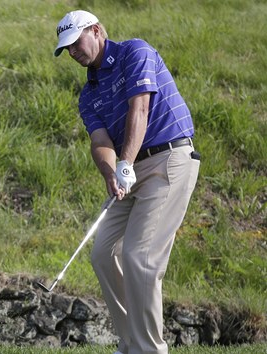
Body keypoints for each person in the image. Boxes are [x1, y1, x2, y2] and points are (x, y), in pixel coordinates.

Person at [52, 10, 200, 354]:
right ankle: (131, 341)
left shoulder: (136, 52)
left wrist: (125, 164)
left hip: (169, 159)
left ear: (97, 30)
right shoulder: (88, 94)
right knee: (103, 253)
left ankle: (150, 349)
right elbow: (100, 141)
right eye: (67, 49)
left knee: (140, 256)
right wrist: (112, 173)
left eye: (76, 43)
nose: (73, 52)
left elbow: (140, 109)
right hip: (129, 172)